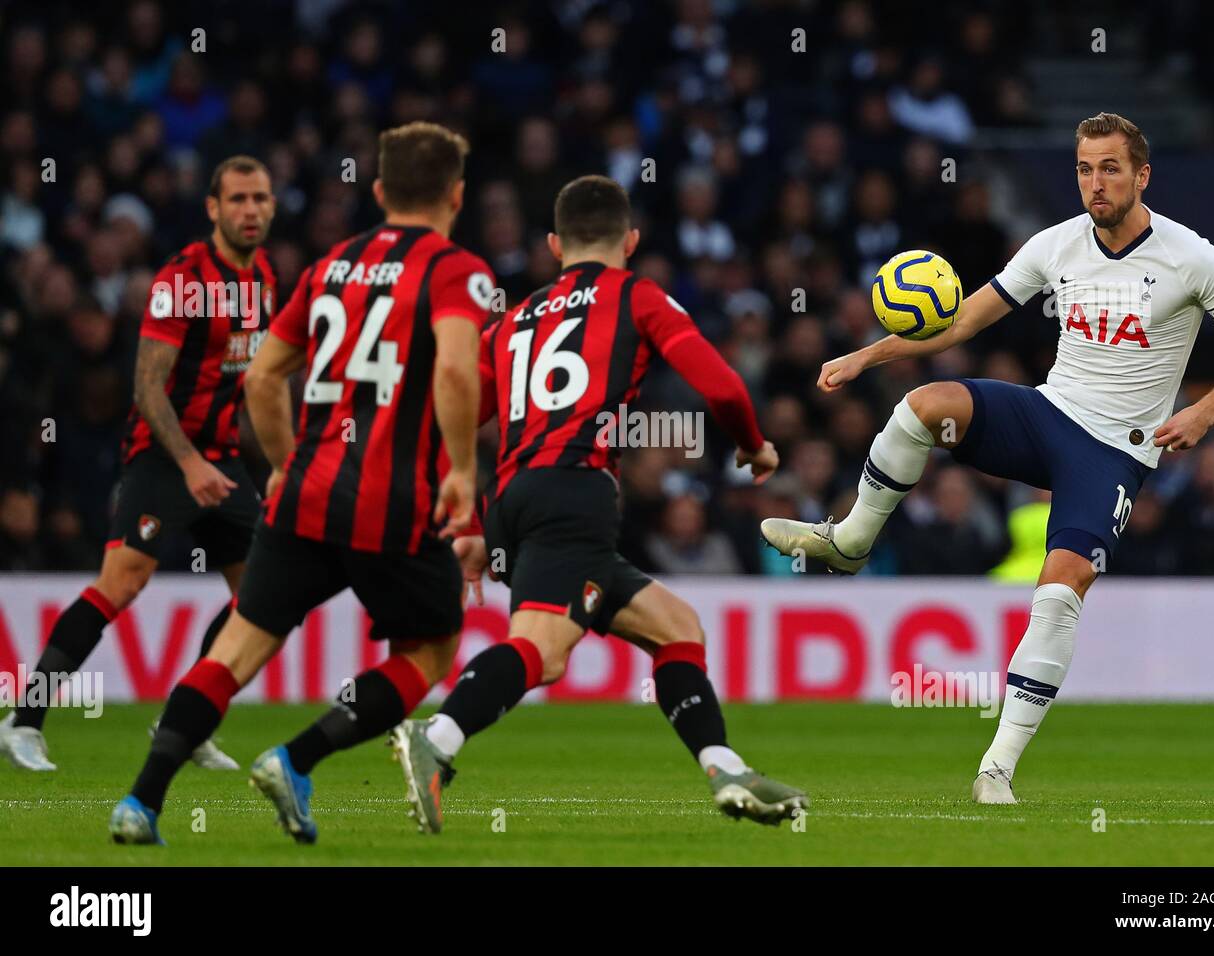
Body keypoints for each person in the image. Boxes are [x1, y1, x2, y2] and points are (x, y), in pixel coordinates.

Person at [761, 112, 1214, 804]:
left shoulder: (1192, 258)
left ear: (1141, 175)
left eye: (1109, 169)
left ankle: (996, 769)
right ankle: (852, 540)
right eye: (1084, 169)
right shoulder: (1055, 245)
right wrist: (867, 354)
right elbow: (962, 321)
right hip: (1048, 415)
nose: (1094, 184)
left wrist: (1204, 411)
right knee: (924, 407)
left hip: (1112, 452)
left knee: (1059, 592)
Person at [108, 122, 493, 844]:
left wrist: (287, 465)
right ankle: (297, 756)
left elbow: (261, 377)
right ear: (457, 195)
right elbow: (452, 369)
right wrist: (464, 474)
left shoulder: (329, 266)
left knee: (238, 650)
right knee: (432, 651)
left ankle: (141, 802)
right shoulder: (455, 270)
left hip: (305, 494)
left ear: (378, 191)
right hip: (392, 505)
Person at [391, 175, 808, 832]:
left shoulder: (510, 321)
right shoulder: (637, 296)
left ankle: (725, 767)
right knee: (543, 651)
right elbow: (722, 386)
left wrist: (469, 524)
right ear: (632, 240)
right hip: (574, 492)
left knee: (676, 628)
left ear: (555, 244)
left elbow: (449, 425)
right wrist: (754, 448)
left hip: (514, 498)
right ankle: (436, 738)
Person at [0, 156, 279, 772]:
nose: (251, 210)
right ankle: (23, 721)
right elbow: (147, 389)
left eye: (260, 198)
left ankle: (188, 720)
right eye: (237, 199)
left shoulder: (263, 280)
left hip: (224, 458)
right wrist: (188, 464)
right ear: (213, 208)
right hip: (162, 451)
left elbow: (259, 385)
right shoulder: (183, 279)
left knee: (261, 594)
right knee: (122, 583)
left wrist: (281, 463)